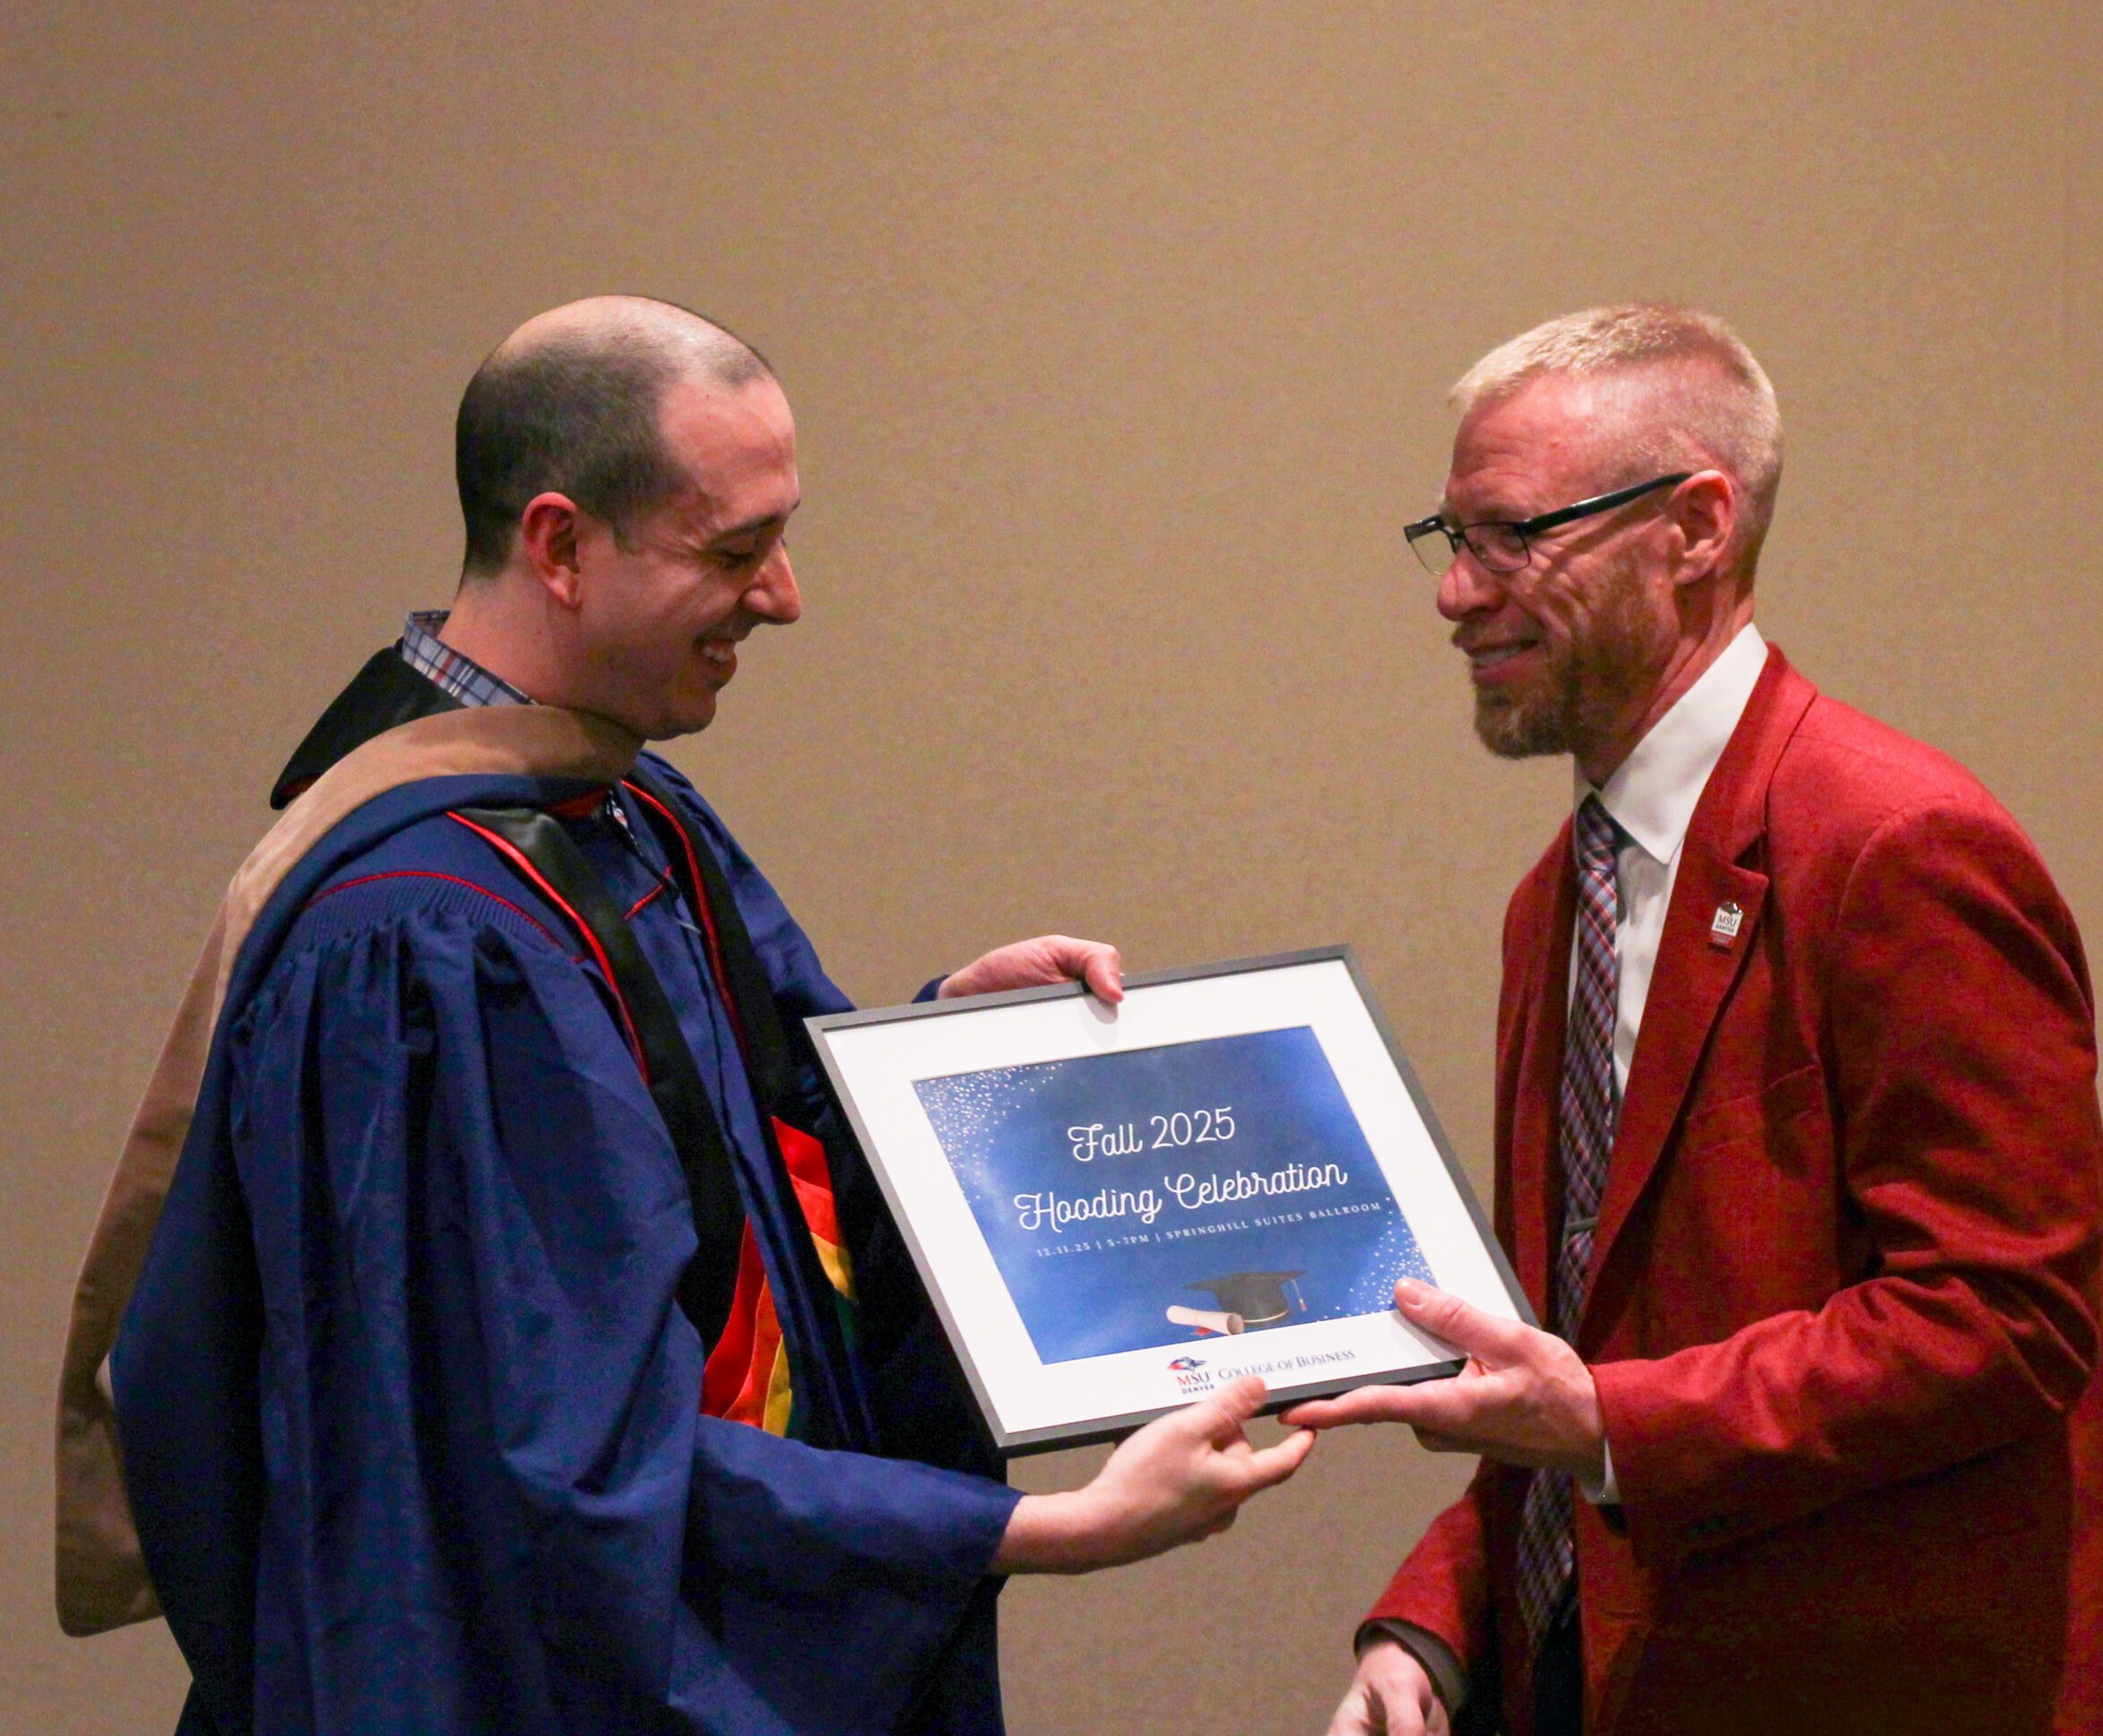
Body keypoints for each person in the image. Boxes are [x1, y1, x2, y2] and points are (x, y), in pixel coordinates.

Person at [71, 296, 1311, 1735]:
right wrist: (1037, 1530)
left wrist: (938, 1060)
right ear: (560, 545)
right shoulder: (422, 937)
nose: (783, 595)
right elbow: (539, 1456)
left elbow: (753, 1211)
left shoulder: (625, 811)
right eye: (732, 550)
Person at [1285, 306, 2103, 1734]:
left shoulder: (1899, 848)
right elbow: (1578, 1354)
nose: (1458, 593)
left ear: (1697, 527)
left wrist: (1606, 1423)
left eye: (1512, 536)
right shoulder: (1556, 901)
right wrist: (1441, 1619)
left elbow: (2001, 1317)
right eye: (1449, 538)